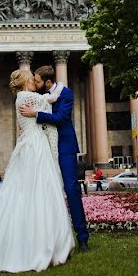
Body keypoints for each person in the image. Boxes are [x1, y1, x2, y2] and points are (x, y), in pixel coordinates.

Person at [0, 69, 74, 272]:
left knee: (23, 190)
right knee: (41, 189)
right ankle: (43, 244)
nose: (34, 80)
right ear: (25, 81)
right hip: (36, 145)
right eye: (31, 77)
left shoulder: (21, 98)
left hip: (27, 143)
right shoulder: (31, 97)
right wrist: (60, 89)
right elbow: (50, 100)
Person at [20, 65, 90, 251]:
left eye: (37, 81)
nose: (34, 83)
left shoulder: (65, 94)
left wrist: (36, 114)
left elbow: (60, 118)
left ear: (47, 82)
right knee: (46, 191)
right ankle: (50, 238)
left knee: (71, 189)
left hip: (65, 147)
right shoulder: (39, 97)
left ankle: (82, 237)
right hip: (44, 147)